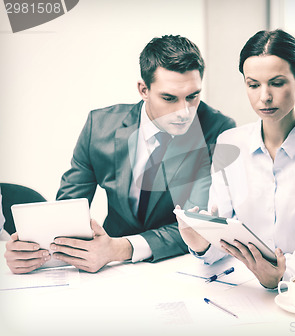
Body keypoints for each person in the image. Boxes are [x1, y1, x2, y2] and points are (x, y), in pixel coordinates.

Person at [4, 34, 235, 274]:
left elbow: (197, 225)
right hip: (109, 269)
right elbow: (67, 212)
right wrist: (35, 252)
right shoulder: (99, 126)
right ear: (143, 89)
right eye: (169, 98)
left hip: (179, 266)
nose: (184, 112)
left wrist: (119, 249)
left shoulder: (217, 130)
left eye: (193, 96)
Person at [177, 29, 295, 289]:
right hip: (238, 283)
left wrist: (281, 275)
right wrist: (201, 244)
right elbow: (224, 237)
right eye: (253, 84)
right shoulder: (228, 143)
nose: (264, 96)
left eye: (276, 83)